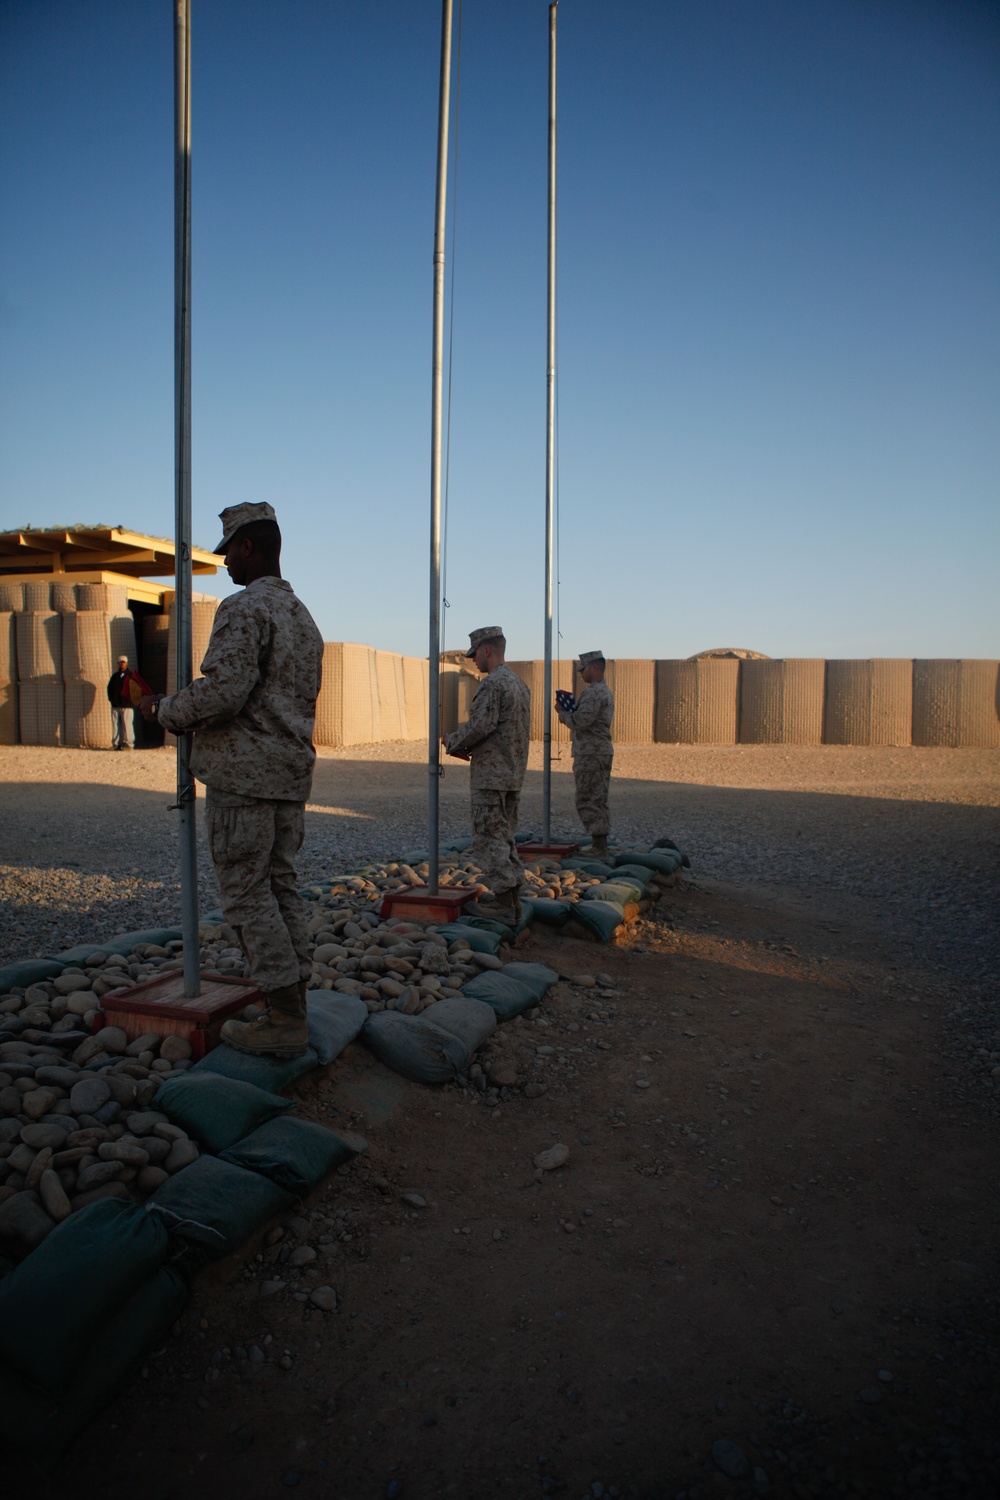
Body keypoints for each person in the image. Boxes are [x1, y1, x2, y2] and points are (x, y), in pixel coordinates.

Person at [140, 502, 324, 1058]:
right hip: (289, 775)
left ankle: (283, 1017)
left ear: (249, 546)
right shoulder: (303, 616)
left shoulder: (244, 609)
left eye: (228, 553)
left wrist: (161, 711)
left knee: (246, 894)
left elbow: (224, 692)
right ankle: (293, 1003)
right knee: (280, 884)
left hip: (244, 778)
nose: (224, 565)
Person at [442, 626, 530, 923]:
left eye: (475, 654)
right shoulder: (519, 683)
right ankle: (512, 901)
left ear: (487, 650)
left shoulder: (493, 684)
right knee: (505, 837)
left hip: (490, 778)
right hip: (511, 774)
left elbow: (481, 725)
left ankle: (505, 907)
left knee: (489, 840)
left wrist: (452, 740)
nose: (473, 661)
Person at [556, 650, 614, 857]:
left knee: (589, 798)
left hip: (591, 753)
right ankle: (600, 843)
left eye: (583, 669)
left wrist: (562, 713)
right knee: (596, 796)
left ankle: (599, 847)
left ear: (595, 668)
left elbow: (580, 722)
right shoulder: (600, 691)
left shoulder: (594, 693)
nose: (581, 673)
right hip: (596, 751)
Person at [106, 654, 151, 750]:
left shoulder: (131, 676)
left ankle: (128, 744)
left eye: (123, 662)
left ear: (126, 663)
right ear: (118, 663)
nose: (122, 664)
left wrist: (131, 702)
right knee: (115, 725)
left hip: (127, 706)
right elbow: (109, 689)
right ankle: (116, 743)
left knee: (127, 725)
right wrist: (112, 700)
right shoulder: (115, 677)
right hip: (116, 705)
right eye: (120, 662)